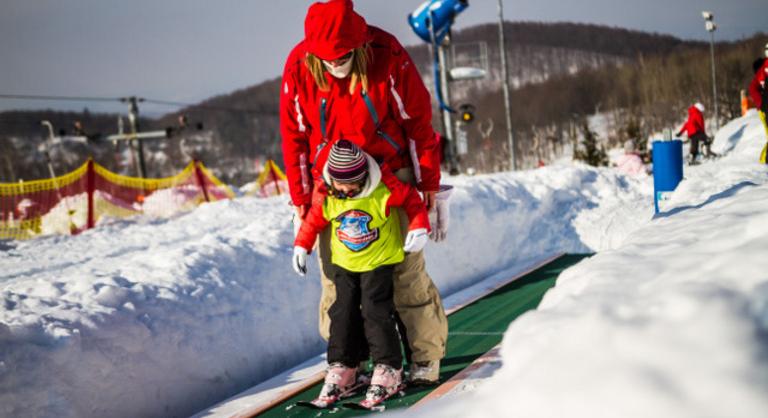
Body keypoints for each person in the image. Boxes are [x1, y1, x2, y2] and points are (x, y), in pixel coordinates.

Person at [280, 0, 448, 384]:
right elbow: (295, 139)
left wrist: (427, 186)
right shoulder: (298, 67)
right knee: (337, 280)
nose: (335, 64)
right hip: (332, 186)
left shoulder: (386, 54)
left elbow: (418, 122)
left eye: (342, 56)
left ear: (357, 45)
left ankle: (425, 356)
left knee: (405, 273)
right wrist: (302, 202)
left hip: (391, 175)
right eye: (327, 58)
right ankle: (345, 361)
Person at [291, 140, 430, 405]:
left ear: (363, 176)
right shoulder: (328, 193)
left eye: (350, 184)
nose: (344, 189)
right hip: (344, 263)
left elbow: (412, 200)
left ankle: (389, 367)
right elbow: (314, 220)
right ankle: (344, 364)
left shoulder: (383, 188)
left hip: (378, 261)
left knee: (375, 311)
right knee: (341, 311)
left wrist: (418, 226)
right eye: (339, 184)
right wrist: (301, 246)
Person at [749, 44, 768, 164]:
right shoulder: (764, 69)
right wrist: (761, 104)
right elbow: (753, 88)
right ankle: (763, 160)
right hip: (764, 108)